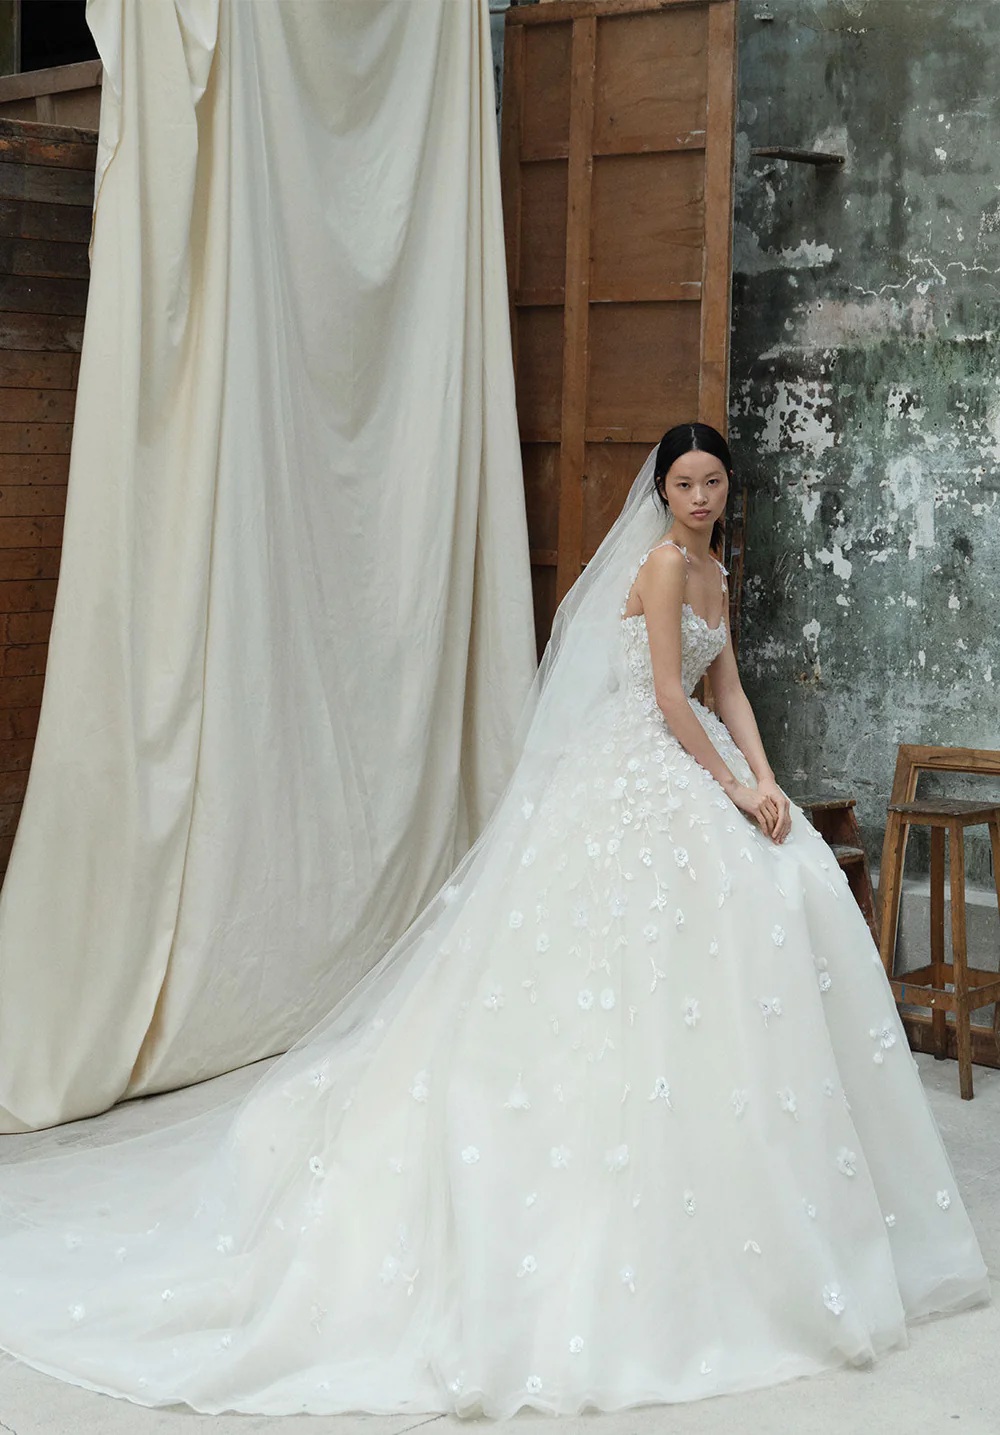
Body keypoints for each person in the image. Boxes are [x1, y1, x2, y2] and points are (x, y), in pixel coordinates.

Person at [0, 424, 988, 1419]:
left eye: (713, 483)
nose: (699, 497)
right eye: (684, 482)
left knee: (783, 882)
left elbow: (724, 685)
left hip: (700, 760)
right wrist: (730, 788)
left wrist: (766, 781)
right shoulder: (657, 567)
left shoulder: (714, 575)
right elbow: (664, 697)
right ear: (661, 490)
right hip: (642, 761)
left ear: (729, 490)